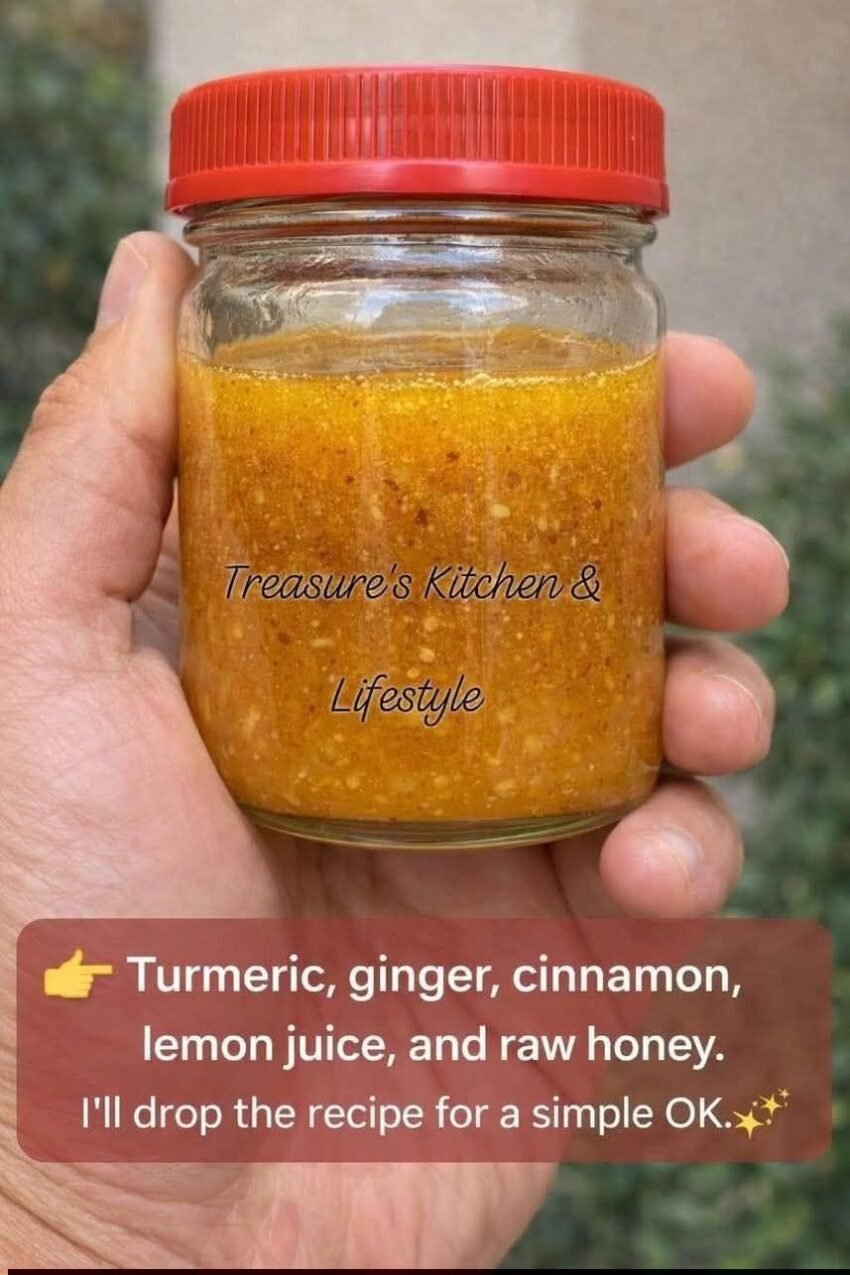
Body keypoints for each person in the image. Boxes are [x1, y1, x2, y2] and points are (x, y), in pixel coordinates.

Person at [0, 232, 787, 1269]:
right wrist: (70, 1217)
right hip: (262, 844)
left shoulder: (603, 304)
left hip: (505, 826)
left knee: (710, 652)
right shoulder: (231, 305)